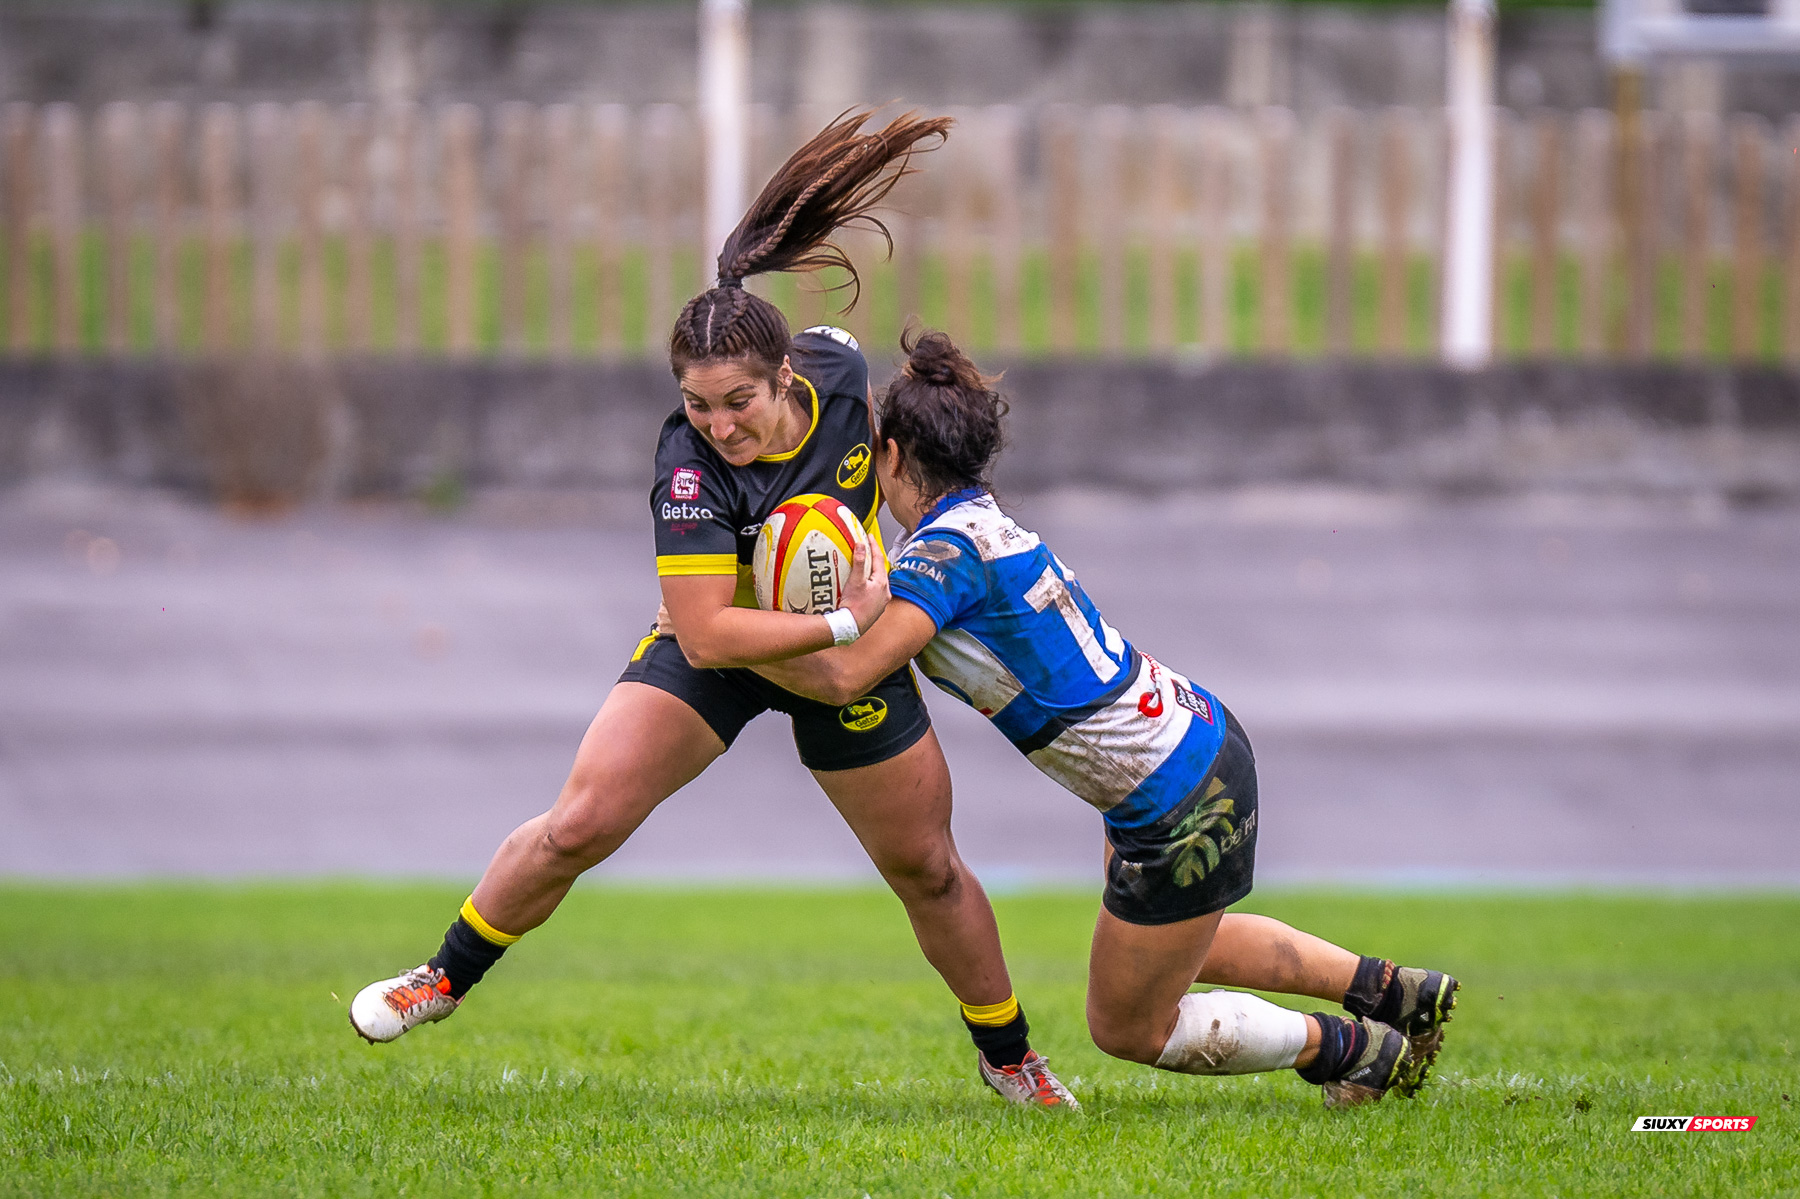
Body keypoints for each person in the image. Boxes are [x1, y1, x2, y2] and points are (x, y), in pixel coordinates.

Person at [348, 113, 1074, 1109]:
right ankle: (441, 976)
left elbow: (895, 450)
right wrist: (845, 623)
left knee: (928, 867)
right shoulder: (687, 470)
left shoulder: (840, 375)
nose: (719, 424)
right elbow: (704, 633)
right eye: (698, 403)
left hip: (836, 647)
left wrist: (908, 549)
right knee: (579, 824)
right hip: (735, 650)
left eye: (738, 401)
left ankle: (1010, 1055)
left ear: (787, 377)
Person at [752, 329, 1461, 1108]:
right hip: (1193, 745)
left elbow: (846, 675)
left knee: (1127, 1023)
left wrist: (722, 639)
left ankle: (1352, 1050)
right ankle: (1396, 991)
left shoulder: (942, 559)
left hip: (1176, 796)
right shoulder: (974, 525)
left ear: (890, 455)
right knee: (1174, 947)